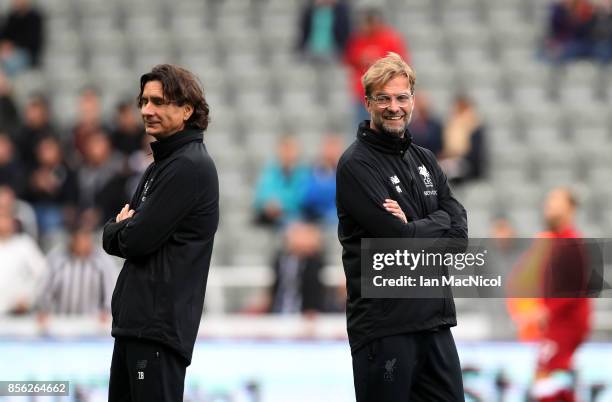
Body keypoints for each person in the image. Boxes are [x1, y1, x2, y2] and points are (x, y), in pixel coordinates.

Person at [336, 52, 467, 401]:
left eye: (401, 97)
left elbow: (459, 238)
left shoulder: (425, 158)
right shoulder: (355, 165)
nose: (394, 106)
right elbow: (397, 241)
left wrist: (419, 225)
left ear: (412, 100)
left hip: (435, 323)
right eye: (384, 98)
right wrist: (436, 220)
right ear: (368, 103)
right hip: (384, 327)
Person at [102, 64, 219, 402]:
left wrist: (115, 230)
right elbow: (128, 234)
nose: (146, 110)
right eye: (144, 101)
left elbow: (133, 238)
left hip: (156, 330)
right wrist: (120, 230)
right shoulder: (162, 165)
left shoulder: (188, 166)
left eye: (158, 102)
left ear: (186, 110)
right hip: (138, 326)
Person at [529, 188, 592, 402]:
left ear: (570, 208)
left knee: (547, 378)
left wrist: (547, 309)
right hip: (558, 322)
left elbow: (573, 288)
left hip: (566, 323)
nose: (549, 205)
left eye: (555, 201)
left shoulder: (570, 242)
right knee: (556, 378)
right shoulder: (555, 241)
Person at [343, 8, 409, 126]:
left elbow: (401, 63)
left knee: (386, 127)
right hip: (364, 94)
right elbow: (349, 58)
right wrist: (362, 59)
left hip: (386, 94)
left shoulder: (389, 39)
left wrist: (379, 62)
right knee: (363, 127)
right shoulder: (358, 39)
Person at [37, 225, 117, 317]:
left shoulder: (102, 261)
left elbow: (111, 291)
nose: (82, 243)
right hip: (60, 321)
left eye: (86, 238)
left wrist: (107, 312)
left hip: (93, 322)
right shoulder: (57, 259)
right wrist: (44, 310)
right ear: (72, 239)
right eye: (78, 238)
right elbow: (45, 290)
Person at [253, 135, 309, 227]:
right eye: (285, 149)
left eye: (290, 149)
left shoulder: (304, 173)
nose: (287, 153)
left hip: (295, 218)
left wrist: (282, 205)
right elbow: (261, 196)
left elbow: (302, 198)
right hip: (271, 218)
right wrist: (269, 204)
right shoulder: (269, 171)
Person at [302, 133, 344, 224]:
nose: (331, 152)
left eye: (334, 148)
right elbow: (308, 197)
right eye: (329, 147)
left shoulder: (346, 172)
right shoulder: (313, 171)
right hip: (316, 219)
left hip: (338, 219)